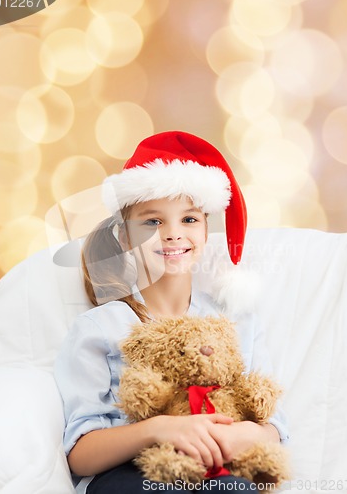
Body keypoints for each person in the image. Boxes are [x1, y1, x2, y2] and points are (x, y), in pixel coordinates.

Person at [54, 131, 289, 494]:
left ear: (206, 228)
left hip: (219, 477)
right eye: (152, 221)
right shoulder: (101, 327)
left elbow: (274, 428)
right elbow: (80, 454)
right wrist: (161, 428)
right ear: (125, 238)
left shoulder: (236, 320)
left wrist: (244, 434)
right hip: (133, 477)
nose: (173, 234)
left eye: (189, 219)